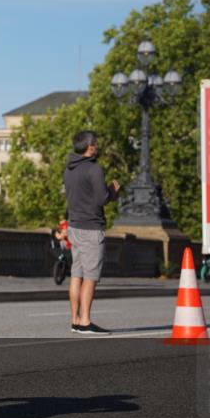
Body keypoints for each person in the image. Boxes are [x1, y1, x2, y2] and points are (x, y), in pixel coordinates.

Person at [62, 130, 120, 335]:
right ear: (90, 147)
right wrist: (113, 191)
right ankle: (85, 321)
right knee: (90, 276)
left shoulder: (69, 168)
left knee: (76, 274)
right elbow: (101, 199)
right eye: (95, 143)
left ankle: (75, 320)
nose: (97, 145)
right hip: (91, 228)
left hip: (74, 226)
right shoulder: (94, 169)